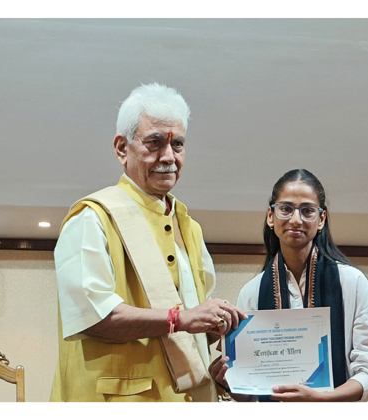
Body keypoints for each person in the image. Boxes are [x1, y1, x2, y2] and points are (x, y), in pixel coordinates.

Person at [51, 83, 245, 402]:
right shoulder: (93, 217)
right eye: (154, 142)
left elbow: (191, 330)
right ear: (121, 148)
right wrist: (181, 318)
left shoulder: (189, 226)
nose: (168, 157)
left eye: (177, 144)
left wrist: (216, 324)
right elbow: (94, 317)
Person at [209, 169, 368, 402]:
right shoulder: (252, 291)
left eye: (307, 210)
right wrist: (230, 381)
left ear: (321, 219)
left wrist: (323, 399)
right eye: (286, 209)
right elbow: (251, 395)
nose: (296, 220)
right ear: (271, 216)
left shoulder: (351, 282)